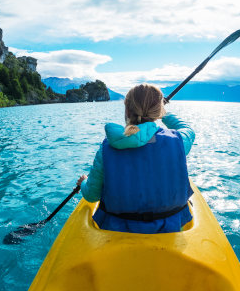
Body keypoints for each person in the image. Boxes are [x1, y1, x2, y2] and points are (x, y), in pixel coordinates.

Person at [77, 83, 195, 233]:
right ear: (158, 111)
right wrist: (164, 113)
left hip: (116, 231)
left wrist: (83, 182)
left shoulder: (106, 148)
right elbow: (188, 130)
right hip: (169, 228)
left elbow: (92, 195)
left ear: (127, 110)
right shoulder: (179, 142)